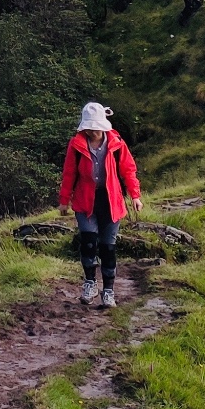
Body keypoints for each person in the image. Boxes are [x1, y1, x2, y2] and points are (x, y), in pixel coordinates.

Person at [57, 101, 140, 308]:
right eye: (90, 127)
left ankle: (109, 291)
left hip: (110, 200)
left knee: (108, 247)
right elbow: (69, 173)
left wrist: (135, 196)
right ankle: (90, 283)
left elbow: (128, 170)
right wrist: (64, 201)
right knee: (88, 242)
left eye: (96, 127)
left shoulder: (116, 143)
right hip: (85, 201)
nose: (92, 131)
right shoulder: (76, 144)